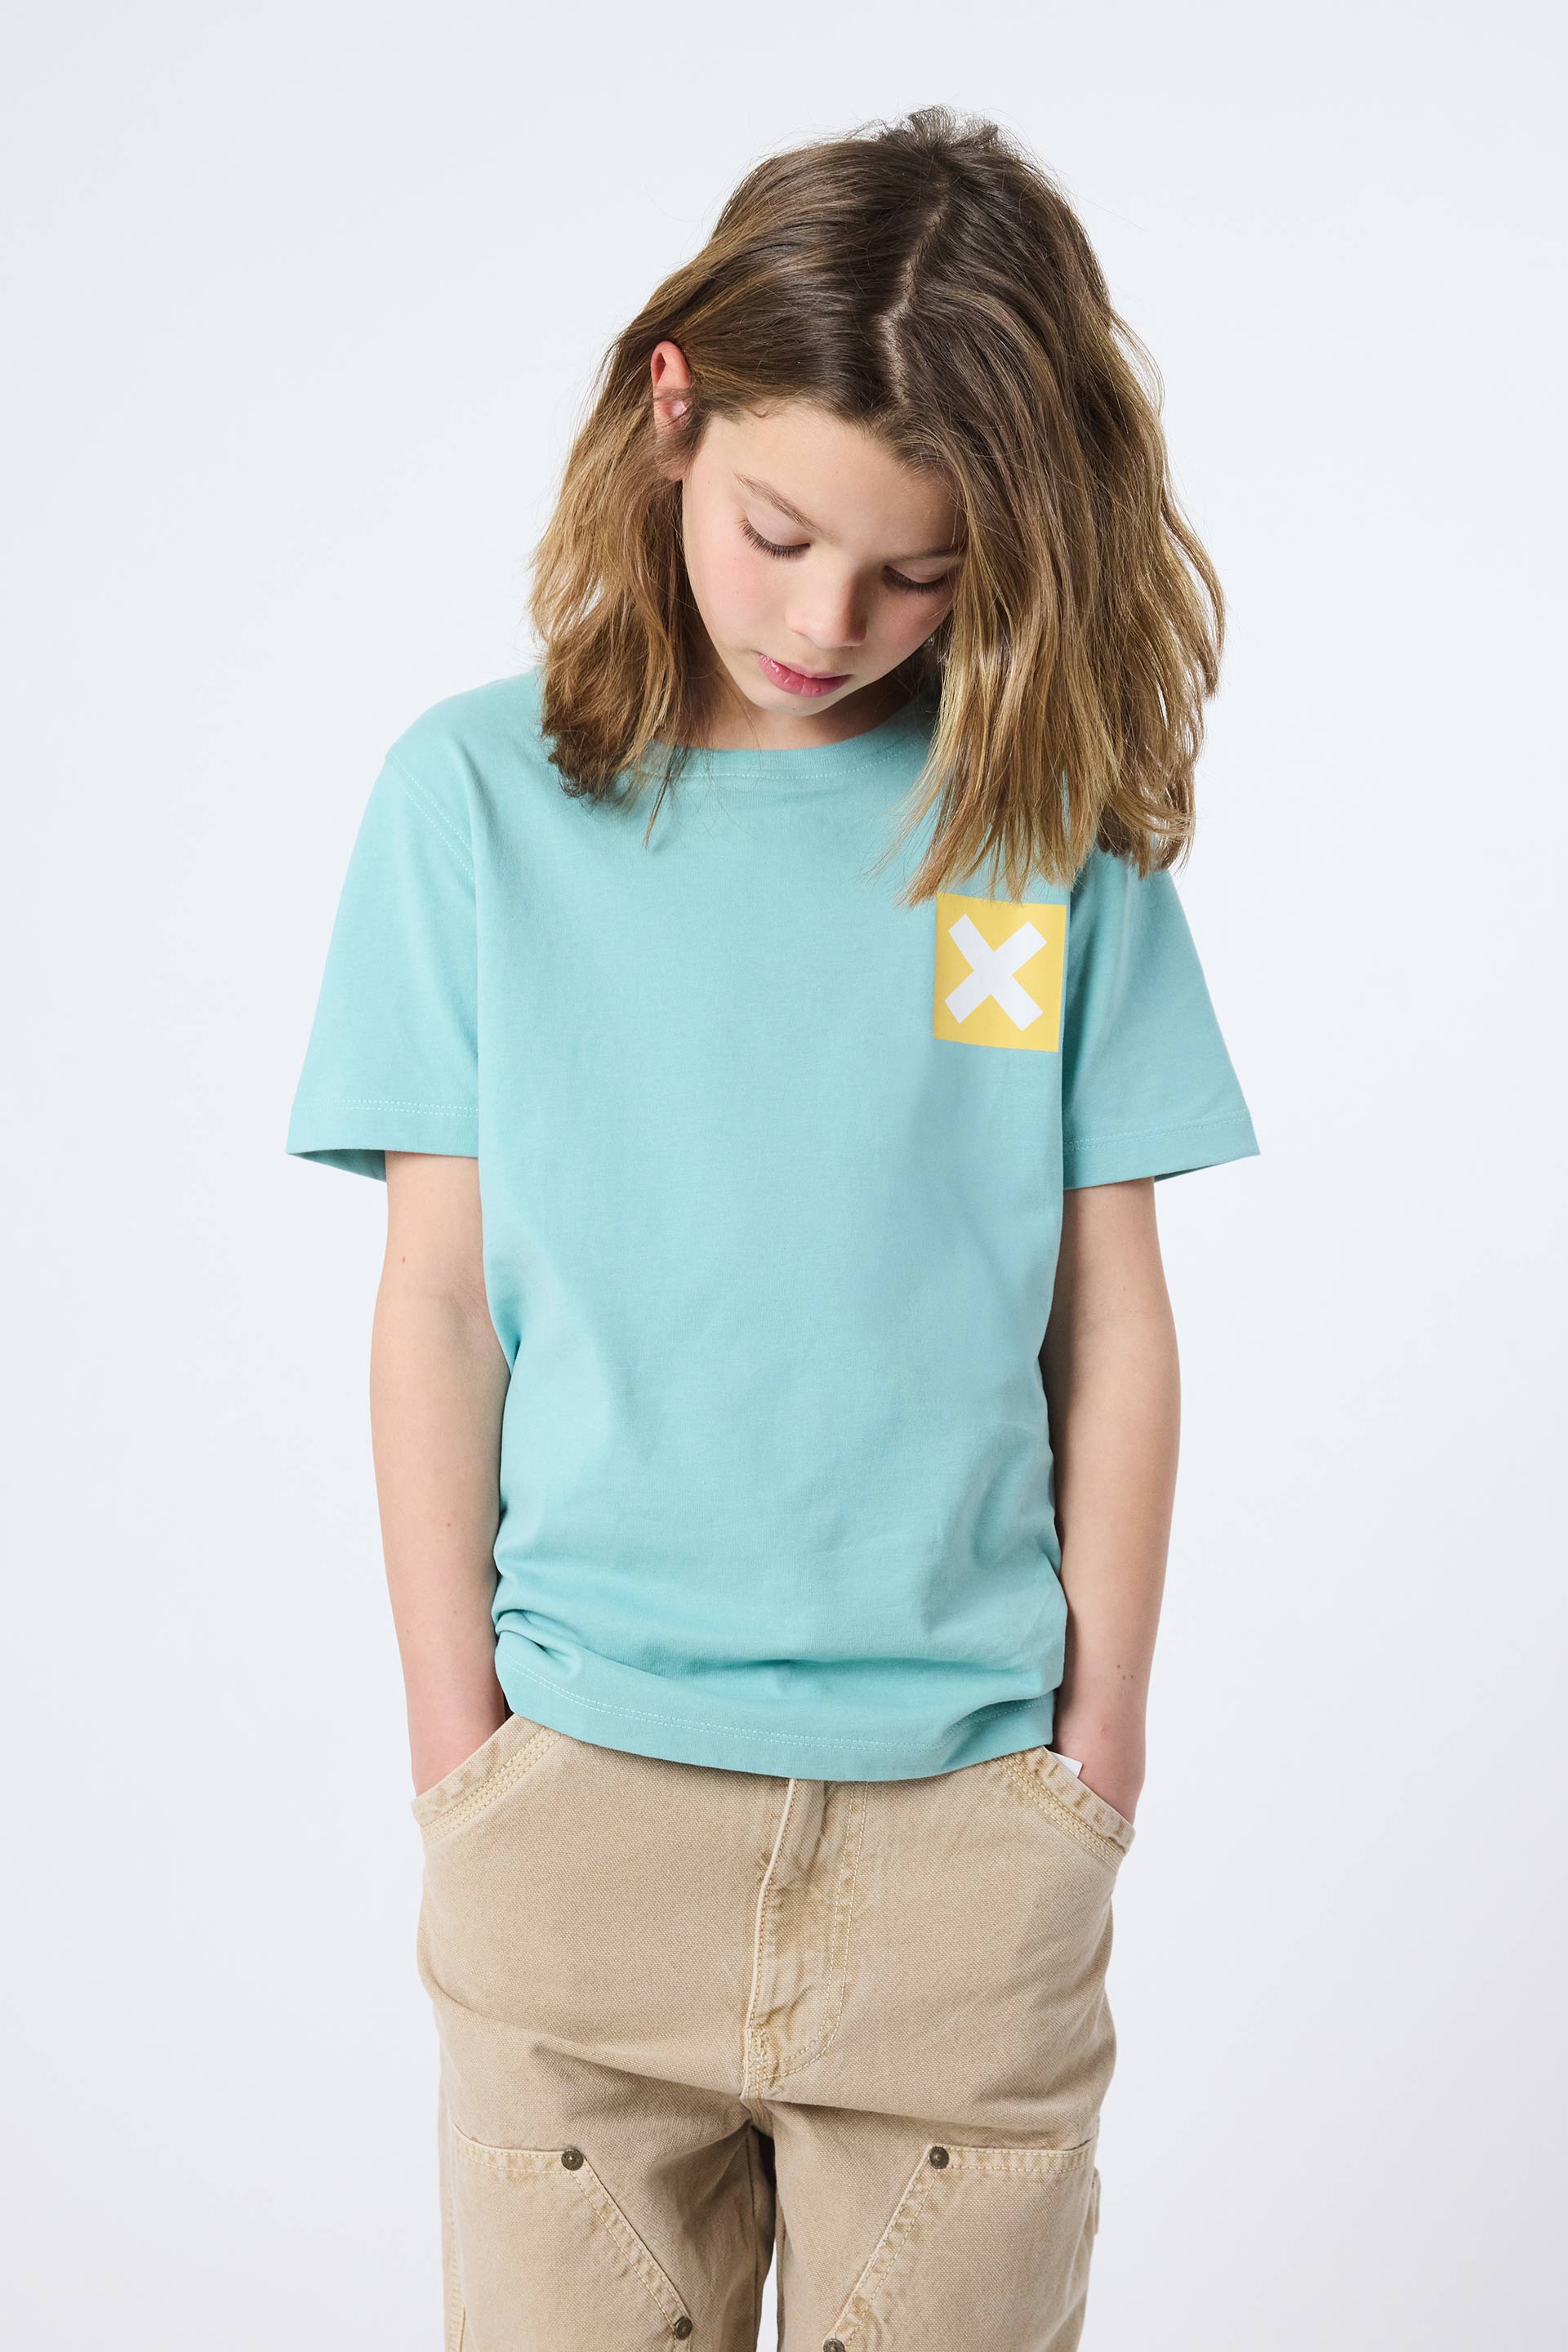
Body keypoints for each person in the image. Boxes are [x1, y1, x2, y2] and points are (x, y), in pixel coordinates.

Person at [285, 104, 1259, 2352]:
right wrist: (461, 1753)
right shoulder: (472, 804)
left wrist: (1093, 1762)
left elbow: (1111, 1319)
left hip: (967, 1838)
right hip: (575, 1810)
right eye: (778, 533)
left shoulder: (1038, 835)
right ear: (672, 410)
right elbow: (435, 1303)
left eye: (918, 572)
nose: (830, 624)